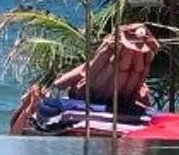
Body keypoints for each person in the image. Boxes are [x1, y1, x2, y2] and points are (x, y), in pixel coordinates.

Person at [10, 22, 159, 135]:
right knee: (131, 71)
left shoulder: (84, 76)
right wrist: (30, 106)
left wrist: (30, 105)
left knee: (128, 71)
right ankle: (127, 48)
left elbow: (60, 83)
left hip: (104, 93)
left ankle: (122, 47)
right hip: (113, 95)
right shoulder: (35, 109)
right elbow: (60, 83)